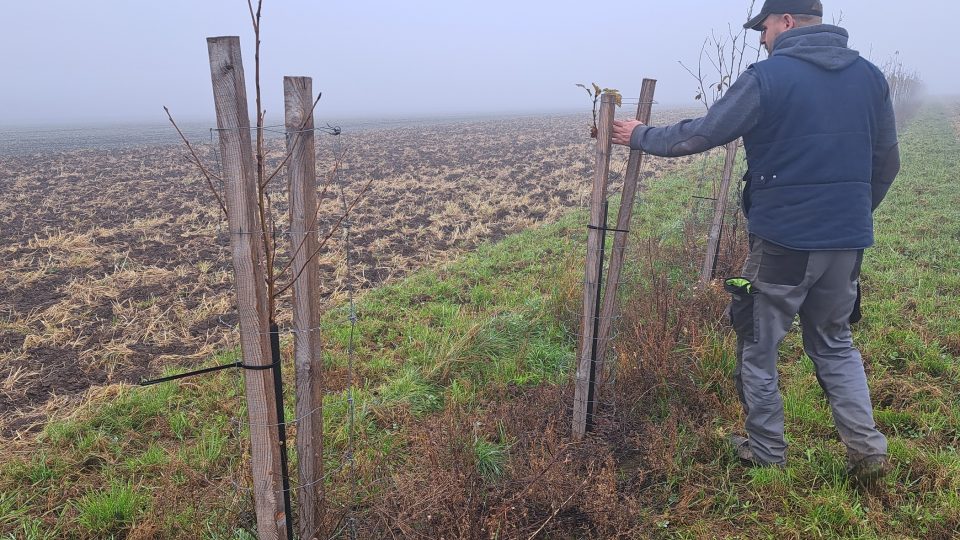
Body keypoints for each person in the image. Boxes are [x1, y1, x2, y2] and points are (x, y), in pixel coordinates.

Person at [611, 0, 900, 484]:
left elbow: (701, 134)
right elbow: (887, 162)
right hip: (847, 243)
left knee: (757, 344)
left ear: (786, 21)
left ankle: (767, 453)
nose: (761, 38)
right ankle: (867, 453)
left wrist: (641, 134)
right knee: (835, 342)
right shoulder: (870, 77)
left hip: (784, 243)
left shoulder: (768, 77)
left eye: (763, 27)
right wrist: (850, 215)